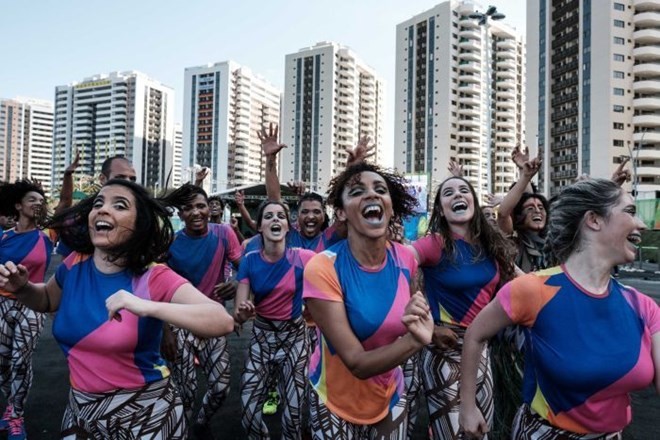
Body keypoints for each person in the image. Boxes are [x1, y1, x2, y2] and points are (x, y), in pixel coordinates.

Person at [0, 179, 234, 439]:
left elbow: (221, 320)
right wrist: (22, 288)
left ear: (138, 225)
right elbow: (45, 300)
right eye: (98, 203)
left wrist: (145, 306)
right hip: (81, 412)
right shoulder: (74, 263)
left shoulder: (153, 276)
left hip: (146, 414)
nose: (102, 209)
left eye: (119, 205)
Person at [459, 178, 660, 439]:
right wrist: (467, 406)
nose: (642, 224)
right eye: (630, 212)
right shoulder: (533, 290)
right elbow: (474, 334)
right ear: (594, 220)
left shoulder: (643, 306)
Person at [303, 162, 433, 438]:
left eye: (380, 190)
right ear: (341, 212)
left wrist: (427, 323)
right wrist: (415, 341)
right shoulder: (322, 268)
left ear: (390, 207)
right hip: (335, 399)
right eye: (357, 191)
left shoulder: (406, 258)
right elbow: (357, 363)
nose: (372, 195)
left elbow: (408, 313)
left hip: (390, 393)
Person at [409, 175, 515, 439]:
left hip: (481, 351)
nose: (457, 195)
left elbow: (524, 283)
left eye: (463, 190)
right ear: (441, 210)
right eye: (448, 193)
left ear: (473, 202)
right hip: (443, 350)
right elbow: (399, 266)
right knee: (454, 433)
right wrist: (428, 325)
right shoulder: (435, 243)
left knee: (480, 431)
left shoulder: (491, 246)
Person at [162, 184, 242, 438]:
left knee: (220, 388)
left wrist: (239, 284)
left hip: (211, 321)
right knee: (186, 390)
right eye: (188, 208)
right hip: (181, 322)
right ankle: (181, 432)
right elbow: (158, 289)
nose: (196, 212)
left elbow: (248, 268)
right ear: (181, 213)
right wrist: (166, 332)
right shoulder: (171, 243)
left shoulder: (224, 233)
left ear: (209, 208)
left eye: (201, 206)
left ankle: (202, 421)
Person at [234, 200, 315, 439]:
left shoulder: (304, 258)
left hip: (295, 339)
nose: (275, 219)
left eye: (281, 215)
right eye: (268, 216)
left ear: (289, 227)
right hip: (261, 336)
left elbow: (335, 270)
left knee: (293, 417)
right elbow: (238, 310)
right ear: (259, 227)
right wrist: (242, 313)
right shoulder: (249, 260)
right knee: (248, 414)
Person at [0, 179, 54, 440]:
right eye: (32, 199)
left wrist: (67, 177)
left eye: (41, 201)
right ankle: (10, 404)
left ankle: (16, 414)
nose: (38, 203)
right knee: (2, 362)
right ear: (19, 205)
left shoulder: (47, 236)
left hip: (32, 305)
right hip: (2, 304)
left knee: (21, 360)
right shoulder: (3, 237)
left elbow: (65, 203)